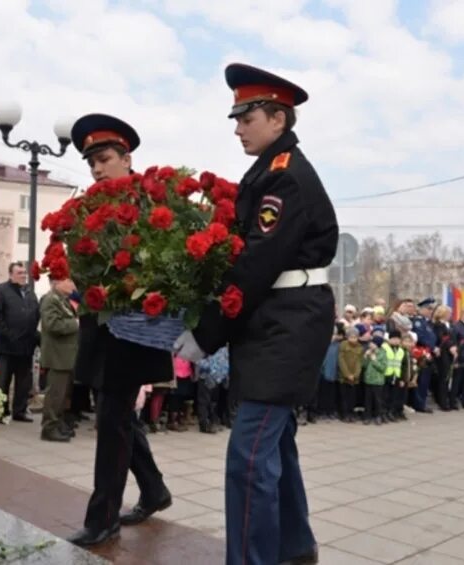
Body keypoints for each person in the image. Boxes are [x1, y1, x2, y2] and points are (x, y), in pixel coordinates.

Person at [175, 63, 337, 565]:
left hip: (287, 324)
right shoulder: (269, 171)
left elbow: (254, 266)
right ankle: (295, 547)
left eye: (247, 118)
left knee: (248, 458)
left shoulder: (284, 180)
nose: (238, 127)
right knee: (276, 443)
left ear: (278, 118)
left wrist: (207, 333)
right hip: (277, 319)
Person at [66, 113, 172, 548]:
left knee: (112, 422)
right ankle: (154, 490)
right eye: (91, 162)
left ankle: (103, 517)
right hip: (99, 328)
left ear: (126, 158)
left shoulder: (148, 205)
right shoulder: (89, 207)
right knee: (117, 418)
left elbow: (161, 261)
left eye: (104, 159)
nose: (96, 169)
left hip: (132, 331)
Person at [0, 262, 40, 423]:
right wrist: (8, 335)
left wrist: (34, 336)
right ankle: (2, 411)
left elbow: (35, 315)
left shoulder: (30, 293)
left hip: (26, 347)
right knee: (3, 380)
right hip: (7, 346)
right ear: (11, 274)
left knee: (23, 382)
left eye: (24, 272)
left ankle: (20, 410)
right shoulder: (0, 291)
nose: (23, 275)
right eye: (19, 273)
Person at [39, 276, 79, 442]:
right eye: (67, 281)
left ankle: (58, 422)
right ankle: (49, 427)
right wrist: (75, 324)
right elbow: (52, 325)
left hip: (66, 355)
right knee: (55, 393)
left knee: (63, 394)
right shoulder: (50, 300)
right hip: (57, 356)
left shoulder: (63, 300)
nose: (72, 284)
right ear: (57, 283)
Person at [410, 297, 438, 413]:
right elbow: (420, 337)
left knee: (425, 380)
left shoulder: (427, 322)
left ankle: (422, 402)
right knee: (421, 380)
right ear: (422, 309)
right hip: (421, 353)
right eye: (428, 309)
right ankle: (419, 404)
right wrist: (432, 347)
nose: (431, 311)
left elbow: (432, 337)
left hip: (428, 354)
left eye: (432, 309)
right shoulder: (418, 322)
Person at [431, 305, 455, 411]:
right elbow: (442, 338)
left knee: (447, 378)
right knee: (443, 378)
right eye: (449, 313)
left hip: (449, 353)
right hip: (442, 353)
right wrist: (450, 346)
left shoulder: (449, 324)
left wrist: (454, 347)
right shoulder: (438, 325)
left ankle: (447, 400)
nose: (450, 315)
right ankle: (442, 402)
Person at [337, 328, 362, 422]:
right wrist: (347, 374)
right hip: (344, 376)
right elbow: (341, 360)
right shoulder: (343, 345)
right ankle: (344, 414)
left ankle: (351, 413)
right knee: (344, 396)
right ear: (347, 337)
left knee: (352, 397)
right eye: (351, 337)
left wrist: (355, 375)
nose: (353, 339)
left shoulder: (359, 347)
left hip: (354, 377)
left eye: (355, 337)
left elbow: (359, 362)